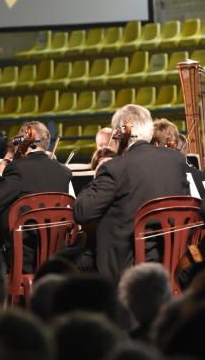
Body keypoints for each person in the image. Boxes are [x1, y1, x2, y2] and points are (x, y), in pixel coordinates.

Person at [73, 104, 192, 284]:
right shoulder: (176, 160)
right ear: (149, 132)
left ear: (120, 134)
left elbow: (82, 212)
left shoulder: (115, 168)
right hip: (169, 264)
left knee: (66, 261)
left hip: (124, 270)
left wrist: (101, 173)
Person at [0, 121, 73, 271]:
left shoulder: (17, 169)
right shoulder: (64, 172)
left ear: (24, 141)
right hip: (56, 257)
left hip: (24, 259)